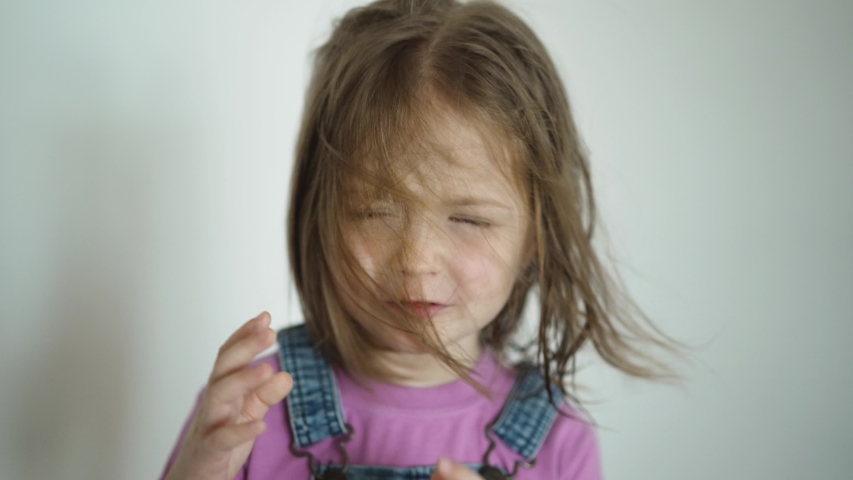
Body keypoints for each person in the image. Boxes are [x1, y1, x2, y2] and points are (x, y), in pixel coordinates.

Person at [160, 0, 677, 478]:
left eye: (469, 220)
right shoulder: (247, 416)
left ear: (535, 237)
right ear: (319, 214)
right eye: (374, 212)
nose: (416, 261)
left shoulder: (561, 442)